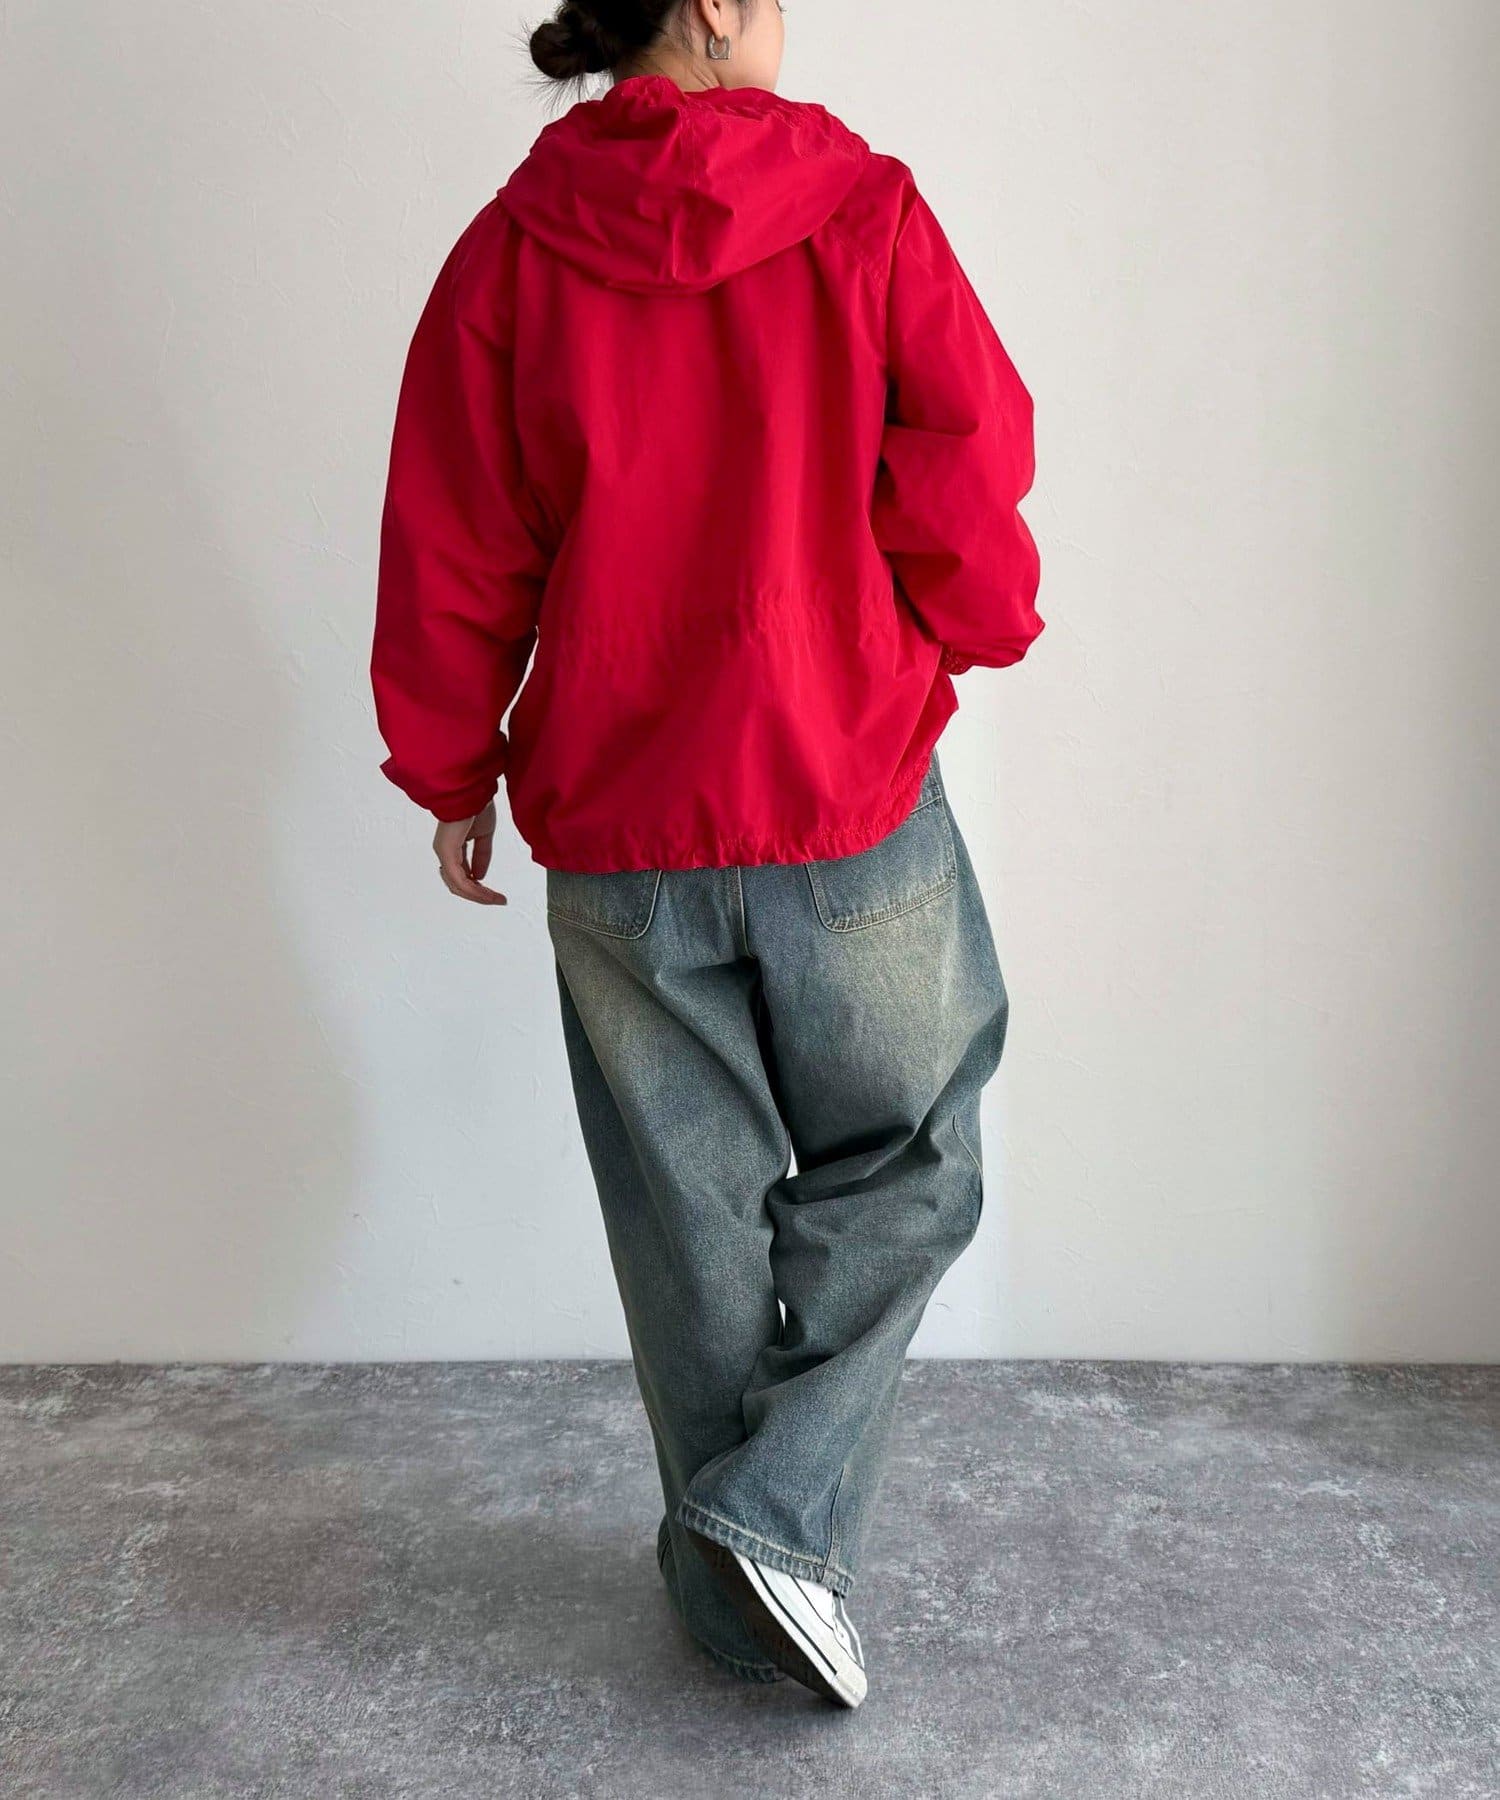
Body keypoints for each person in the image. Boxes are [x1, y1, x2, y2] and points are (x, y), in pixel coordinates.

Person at [370, 0, 1043, 1709]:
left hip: (620, 822)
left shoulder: (511, 254)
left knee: (690, 1223)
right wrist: (969, 627)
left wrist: (452, 763)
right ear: (718, 3)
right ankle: (778, 1527)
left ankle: (738, 1580)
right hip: (841, 789)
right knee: (911, 1154)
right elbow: (966, 459)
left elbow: (455, 532)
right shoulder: (865, 210)